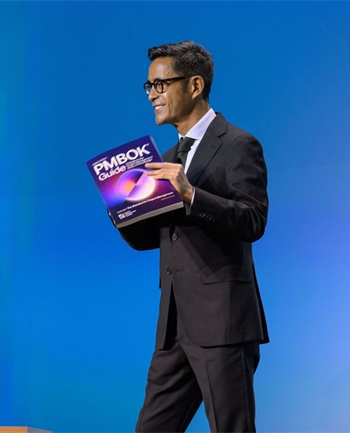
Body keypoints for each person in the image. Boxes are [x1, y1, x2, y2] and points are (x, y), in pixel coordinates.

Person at [114, 41, 269, 433]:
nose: (153, 95)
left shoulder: (238, 144)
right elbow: (154, 238)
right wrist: (123, 211)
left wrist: (191, 195)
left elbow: (253, 220)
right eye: (149, 87)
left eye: (161, 84)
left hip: (223, 323)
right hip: (174, 327)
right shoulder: (166, 158)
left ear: (195, 85)